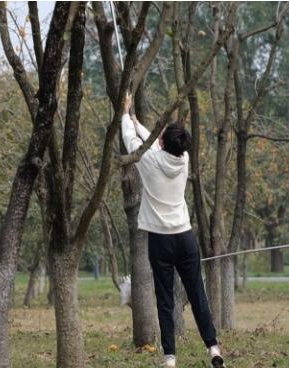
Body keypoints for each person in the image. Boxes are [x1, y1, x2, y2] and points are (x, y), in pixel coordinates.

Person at [121, 95, 224, 368]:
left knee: (165, 299)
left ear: (163, 142)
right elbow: (154, 142)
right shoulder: (184, 159)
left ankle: (170, 358)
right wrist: (137, 120)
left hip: (160, 241)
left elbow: (133, 142)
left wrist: (124, 114)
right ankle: (213, 348)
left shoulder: (149, 161)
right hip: (185, 238)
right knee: (197, 294)